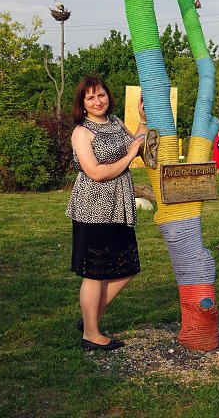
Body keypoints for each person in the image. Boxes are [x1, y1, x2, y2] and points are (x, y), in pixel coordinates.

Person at [66, 75, 147, 350]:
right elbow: (97, 173)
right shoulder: (81, 132)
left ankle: (90, 319)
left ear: (107, 96)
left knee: (127, 267)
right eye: (90, 98)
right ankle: (91, 334)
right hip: (93, 208)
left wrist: (142, 121)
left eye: (101, 95)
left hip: (119, 207)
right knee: (95, 273)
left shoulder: (116, 122)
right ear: (82, 104)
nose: (97, 101)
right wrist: (130, 155)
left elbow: (136, 145)